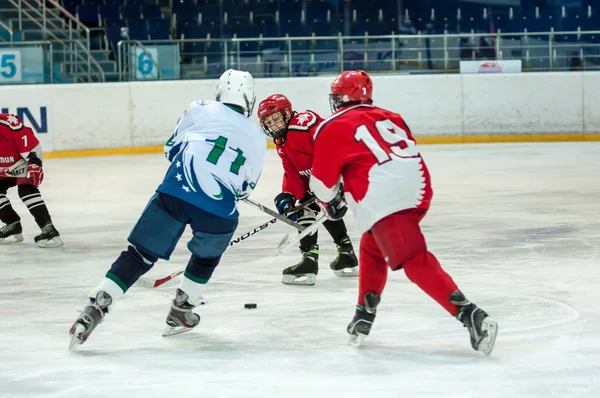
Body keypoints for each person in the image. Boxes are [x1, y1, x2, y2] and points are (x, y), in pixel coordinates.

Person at [69, 69, 266, 348]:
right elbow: (246, 188)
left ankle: (100, 302)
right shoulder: (257, 137)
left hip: (176, 191)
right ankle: (181, 309)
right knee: (206, 256)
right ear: (249, 99)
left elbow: (171, 149)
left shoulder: (199, 108)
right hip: (219, 209)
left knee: (139, 255)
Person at [309, 70, 498, 354]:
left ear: (342, 99)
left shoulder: (331, 125)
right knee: (373, 245)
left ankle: (473, 317)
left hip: (384, 197)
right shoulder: (393, 117)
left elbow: (321, 185)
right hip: (418, 189)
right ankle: (364, 314)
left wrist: (330, 202)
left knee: (413, 259)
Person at [257, 94, 358, 286]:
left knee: (320, 203)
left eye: (276, 119)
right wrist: (288, 196)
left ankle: (310, 260)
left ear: (287, 114)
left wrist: (341, 177)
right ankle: (344, 255)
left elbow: (331, 142)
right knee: (309, 208)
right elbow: (293, 173)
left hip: (334, 176)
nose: (273, 126)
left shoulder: (303, 123)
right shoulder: (282, 142)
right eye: (269, 122)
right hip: (319, 182)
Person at [0, 113, 62, 247]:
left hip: (21, 163)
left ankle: (49, 229)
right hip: (2, 169)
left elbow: (29, 143)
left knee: (26, 191)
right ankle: (13, 225)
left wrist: (34, 162)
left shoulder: (9, 124)